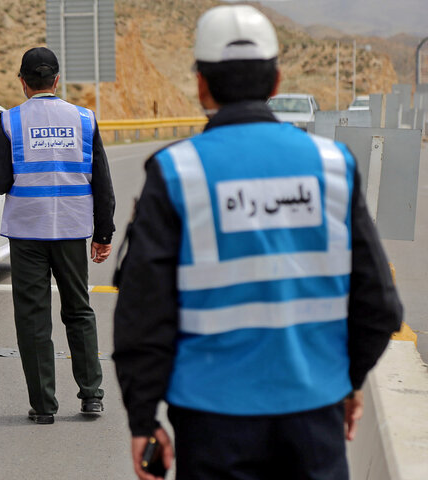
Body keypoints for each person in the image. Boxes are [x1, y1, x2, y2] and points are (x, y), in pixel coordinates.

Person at [113, 5, 403, 480]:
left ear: (202, 84)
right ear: (276, 83)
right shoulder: (333, 166)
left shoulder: (175, 172)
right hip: (314, 418)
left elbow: (144, 312)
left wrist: (143, 419)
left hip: (211, 427)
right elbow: (380, 307)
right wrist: (344, 383)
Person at [0, 47, 115, 425]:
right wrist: (102, 232)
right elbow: (102, 180)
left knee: (32, 318)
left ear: (23, 82)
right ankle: (91, 397)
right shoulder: (85, 119)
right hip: (73, 231)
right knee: (79, 311)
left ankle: (43, 406)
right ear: (57, 80)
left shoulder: (9, 121)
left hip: (28, 234)